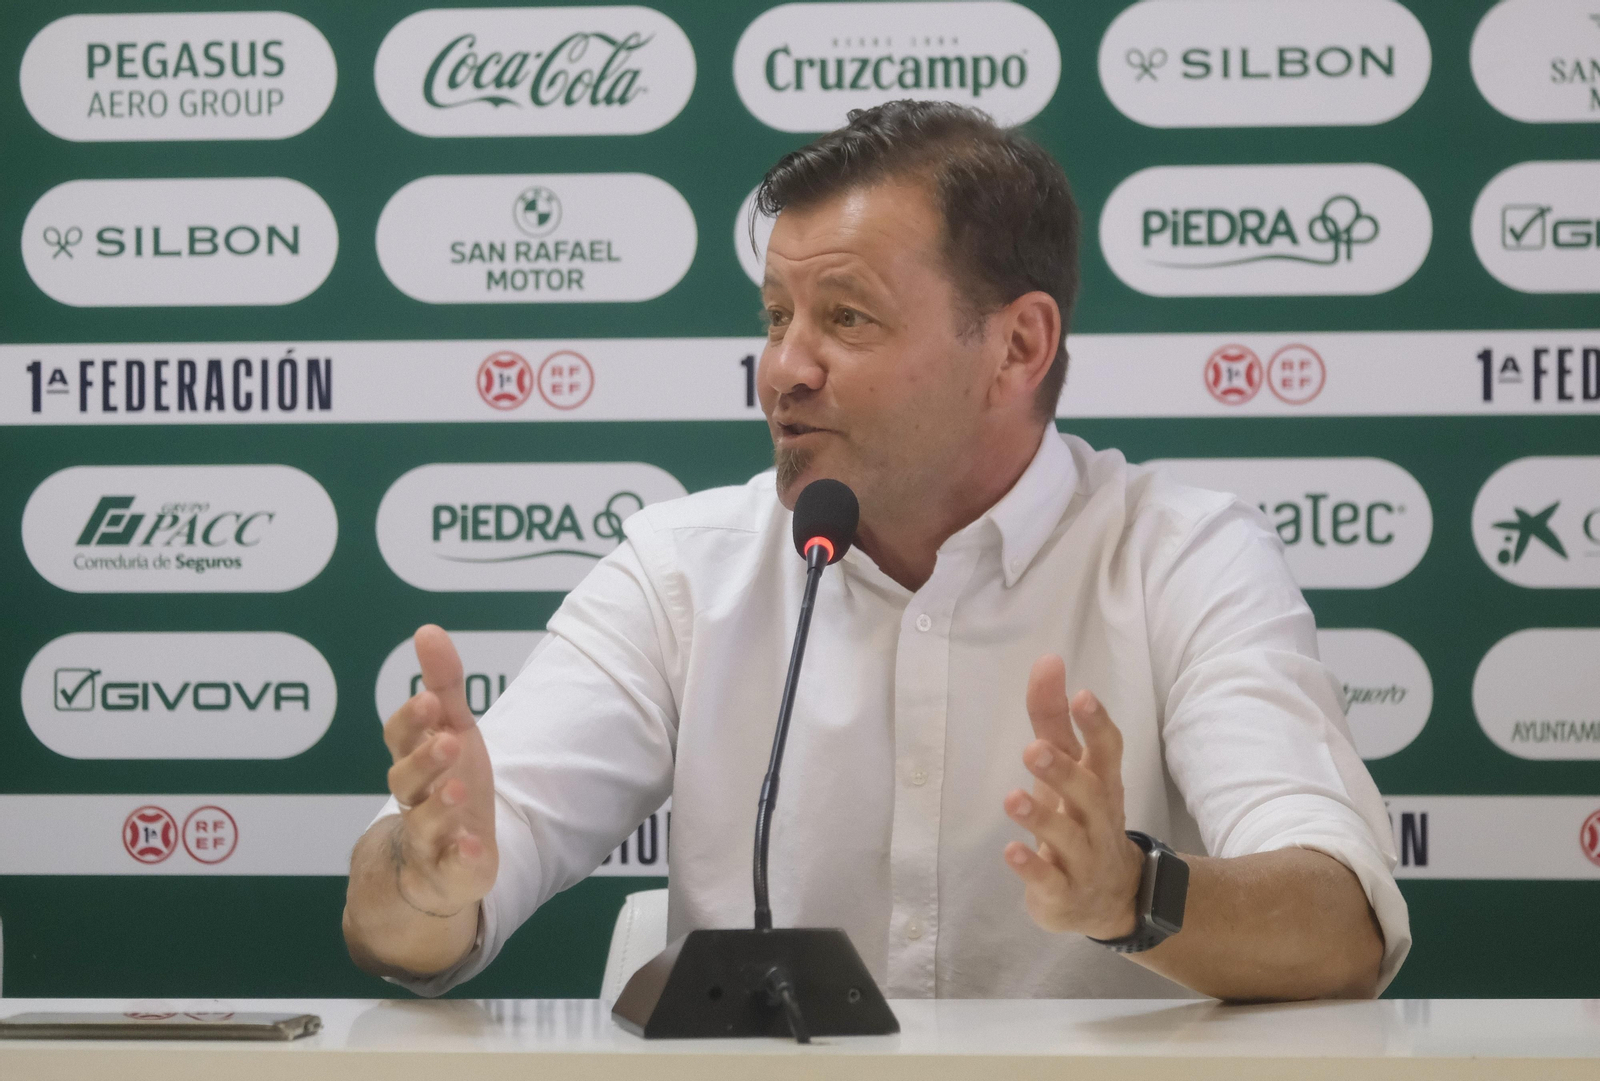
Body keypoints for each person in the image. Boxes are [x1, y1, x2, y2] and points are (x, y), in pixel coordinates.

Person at [343, 100, 1409, 1001]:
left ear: (1017, 346)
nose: (783, 370)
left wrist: (1130, 894)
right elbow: (399, 917)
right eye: (774, 317)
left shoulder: (1183, 556)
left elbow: (1341, 921)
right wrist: (428, 882)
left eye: (846, 319)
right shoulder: (681, 569)